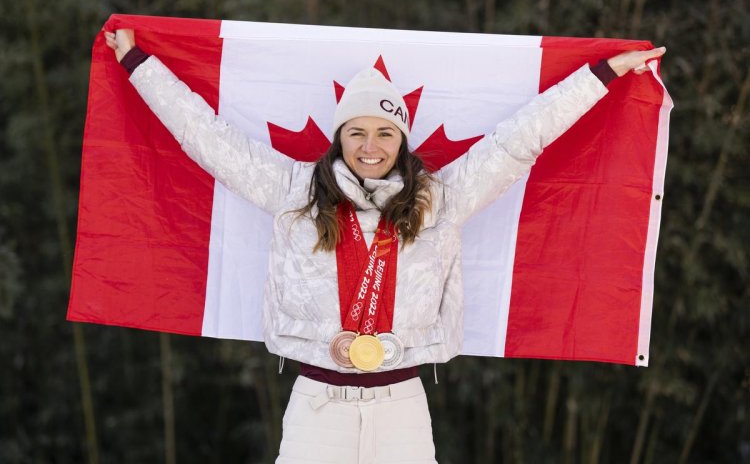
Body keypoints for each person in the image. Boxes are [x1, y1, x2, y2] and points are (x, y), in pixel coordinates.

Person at [105, 28, 665, 464]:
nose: (370, 147)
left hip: (401, 405)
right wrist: (136, 63)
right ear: (339, 137)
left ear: (402, 140)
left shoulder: (438, 200)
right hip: (316, 404)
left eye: (385, 133)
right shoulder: (294, 191)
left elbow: (520, 139)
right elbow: (205, 137)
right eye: (357, 133)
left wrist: (603, 72)